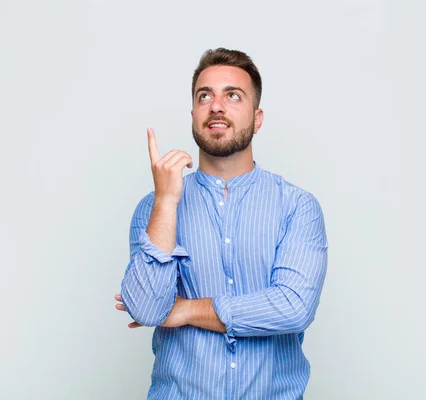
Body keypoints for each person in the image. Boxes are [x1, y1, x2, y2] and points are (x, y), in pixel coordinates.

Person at [114, 48, 328, 399]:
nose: (216, 106)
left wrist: (185, 309)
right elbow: (149, 309)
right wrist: (167, 201)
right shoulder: (153, 208)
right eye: (204, 96)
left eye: (233, 95)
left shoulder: (297, 207)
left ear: (257, 119)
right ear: (194, 114)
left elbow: (293, 308)